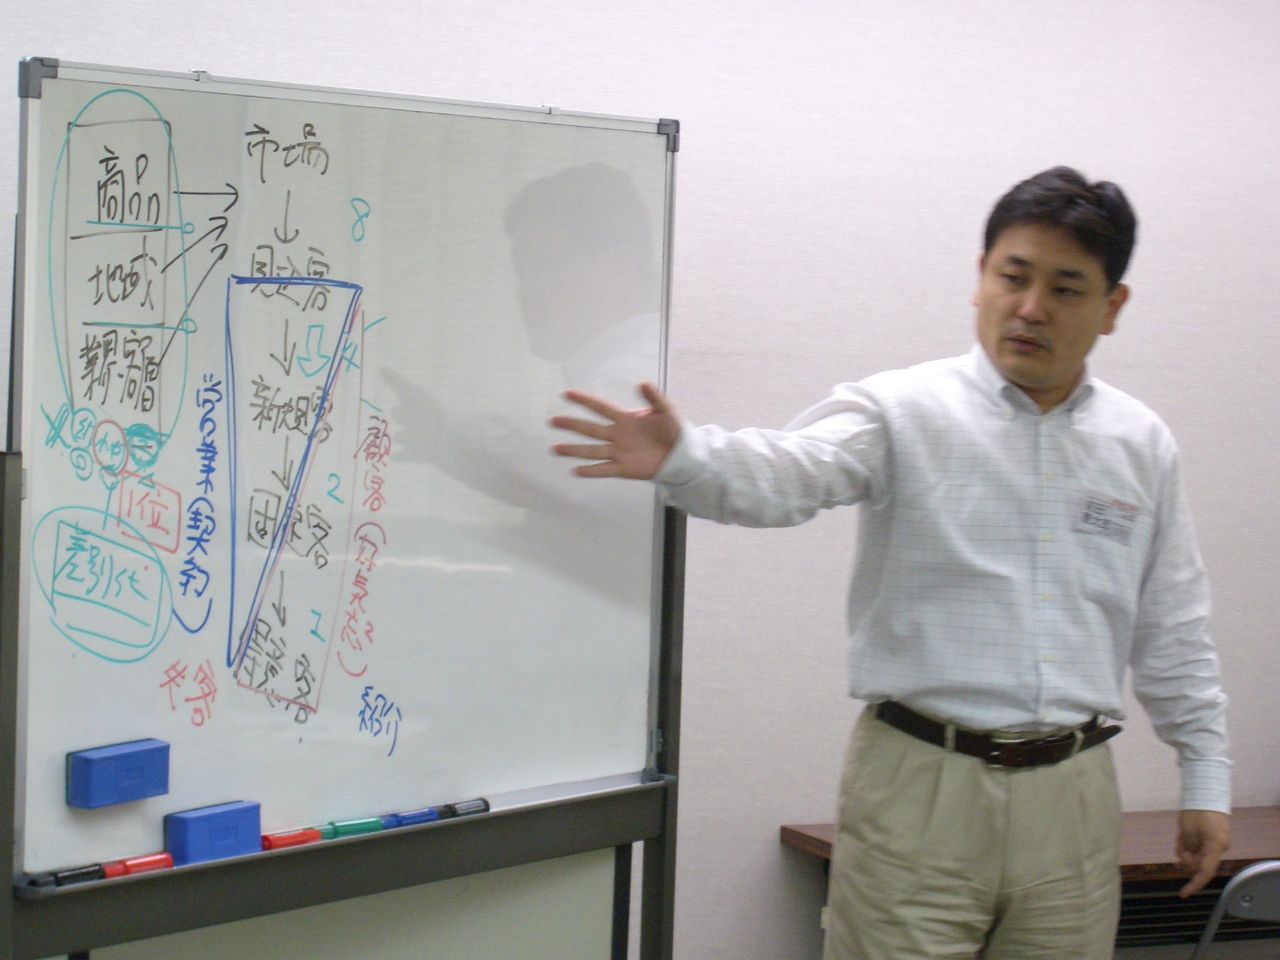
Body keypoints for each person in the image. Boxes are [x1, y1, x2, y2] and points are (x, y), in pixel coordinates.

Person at [549, 167, 1231, 960]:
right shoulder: (904, 410)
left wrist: (1205, 779)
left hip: (1073, 796)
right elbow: (790, 472)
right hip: (921, 785)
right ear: (980, 277)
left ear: (1112, 307)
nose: (1031, 307)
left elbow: (1173, 623)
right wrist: (687, 456)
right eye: (1013, 277)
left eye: (1066, 288)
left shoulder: (1140, 442)